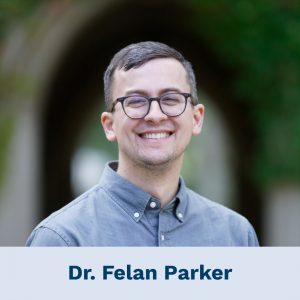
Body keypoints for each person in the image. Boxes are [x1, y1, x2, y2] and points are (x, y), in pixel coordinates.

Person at [26, 41, 259, 246]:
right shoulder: (60, 240)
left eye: (170, 98)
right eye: (136, 101)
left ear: (196, 119)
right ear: (109, 125)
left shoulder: (236, 237)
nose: (155, 115)